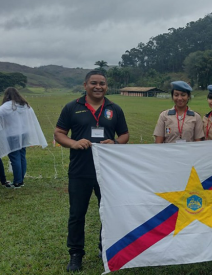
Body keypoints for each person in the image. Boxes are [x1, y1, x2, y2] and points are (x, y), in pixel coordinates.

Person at [54, 70, 129, 272]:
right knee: (77, 214)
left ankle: (104, 248)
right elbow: (59, 133)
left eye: (102, 83)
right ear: (85, 85)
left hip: (107, 171)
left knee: (108, 212)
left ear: (107, 86)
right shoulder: (72, 107)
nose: (98, 87)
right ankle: (76, 254)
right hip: (80, 170)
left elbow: (124, 135)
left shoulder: (114, 108)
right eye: (94, 83)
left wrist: (114, 142)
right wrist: (74, 143)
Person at [0, 87, 47, 188]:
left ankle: (17, 181)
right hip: (24, 133)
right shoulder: (24, 105)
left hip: (12, 135)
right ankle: (20, 180)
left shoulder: (4, 107)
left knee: (14, 157)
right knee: (21, 156)